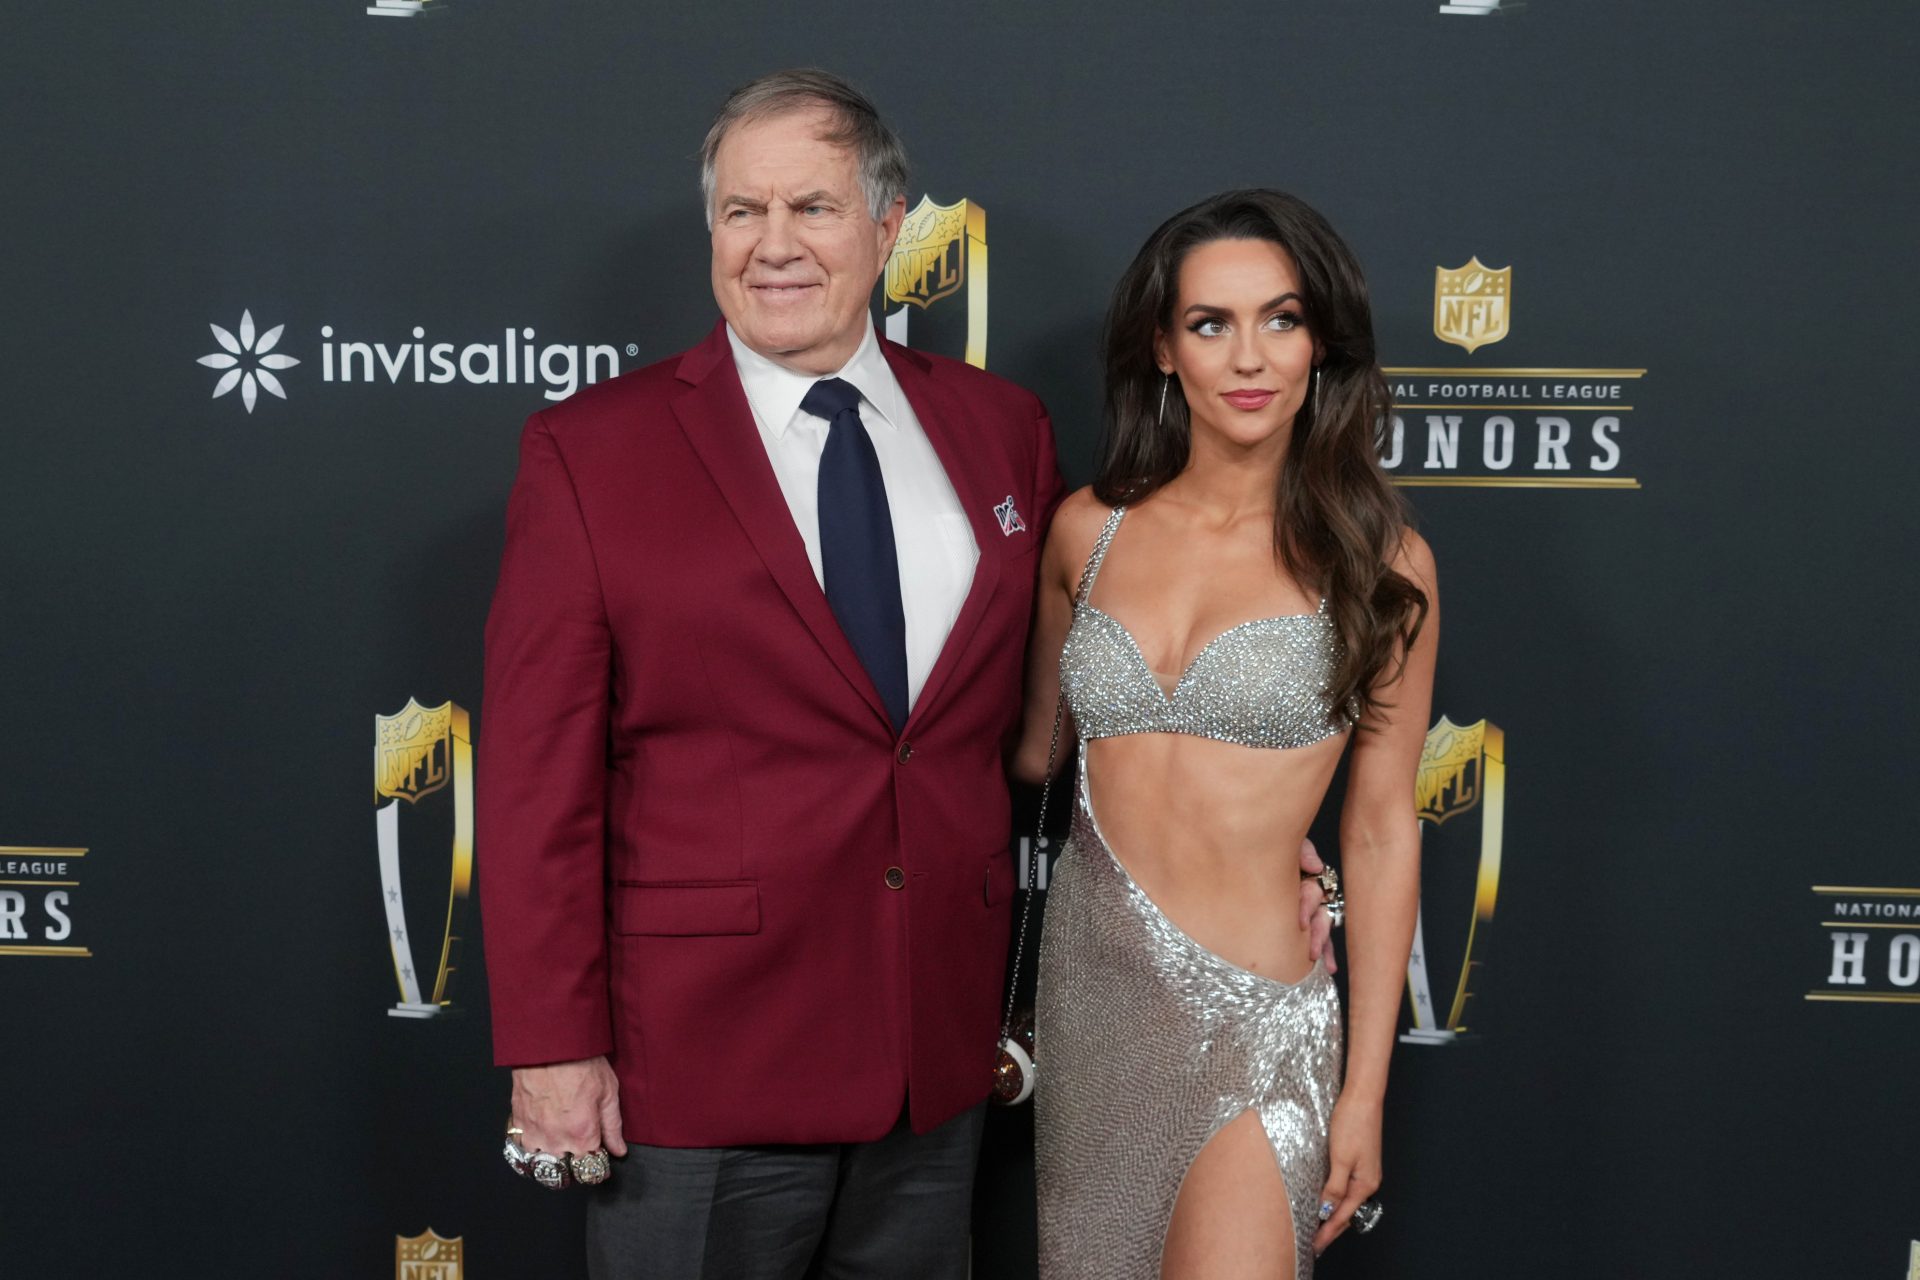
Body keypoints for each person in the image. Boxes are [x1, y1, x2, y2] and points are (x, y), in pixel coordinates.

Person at [479, 68, 1336, 1278]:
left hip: (936, 1068)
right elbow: (531, 779)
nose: (773, 245)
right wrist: (552, 1047)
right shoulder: (590, 450)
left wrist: (1248, 838)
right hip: (704, 1069)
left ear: (889, 229)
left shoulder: (999, 428)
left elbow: (1064, 704)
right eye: (741, 212)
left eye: (814, 209)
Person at [1017, 189, 1435, 1279]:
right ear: (1164, 348)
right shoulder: (1085, 530)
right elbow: (1031, 755)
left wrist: (1366, 1092)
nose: (1249, 357)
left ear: (1321, 341)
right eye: (1211, 323)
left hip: (1260, 1016)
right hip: (1092, 1010)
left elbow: (1385, 827)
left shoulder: (1380, 563)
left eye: (1281, 319)